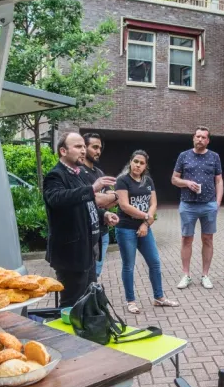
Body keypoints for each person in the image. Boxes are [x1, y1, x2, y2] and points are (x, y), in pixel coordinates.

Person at [43, 132, 118, 307]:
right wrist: (92, 189)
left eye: (84, 146)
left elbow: (85, 205)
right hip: (71, 255)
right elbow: (57, 199)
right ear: (63, 151)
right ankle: (67, 335)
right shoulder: (55, 176)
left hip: (88, 252)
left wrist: (103, 215)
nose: (83, 150)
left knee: (88, 301)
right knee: (71, 305)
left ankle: (83, 334)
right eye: (78, 146)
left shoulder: (79, 174)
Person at [114, 150, 179, 314]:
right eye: (135, 161)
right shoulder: (122, 181)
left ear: (145, 166)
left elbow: (153, 203)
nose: (138, 165)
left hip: (144, 228)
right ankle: (131, 301)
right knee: (129, 266)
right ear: (130, 161)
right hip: (126, 228)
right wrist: (147, 216)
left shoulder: (148, 181)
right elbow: (124, 206)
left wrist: (145, 223)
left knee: (155, 262)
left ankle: (159, 297)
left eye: (141, 163)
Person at [172, 127, 223, 289]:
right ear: (193, 138)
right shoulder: (184, 156)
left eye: (203, 137)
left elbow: (219, 181)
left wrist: (218, 202)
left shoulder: (214, 157)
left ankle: (205, 275)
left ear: (208, 140)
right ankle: (186, 275)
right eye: (197, 136)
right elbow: (174, 179)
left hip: (208, 205)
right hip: (188, 205)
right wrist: (186, 183)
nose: (200, 139)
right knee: (187, 239)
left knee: (208, 239)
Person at [80, 133, 110, 278]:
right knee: (86, 275)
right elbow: (94, 200)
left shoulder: (99, 173)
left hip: (103, 232)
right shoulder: (79, 173)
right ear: (84, 148)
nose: (98, 151)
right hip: (87, 234)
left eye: (100, 148)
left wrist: (110, 197)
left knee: (96, 273)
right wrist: (106, 197)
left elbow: (111, 199)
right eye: (95, 147)